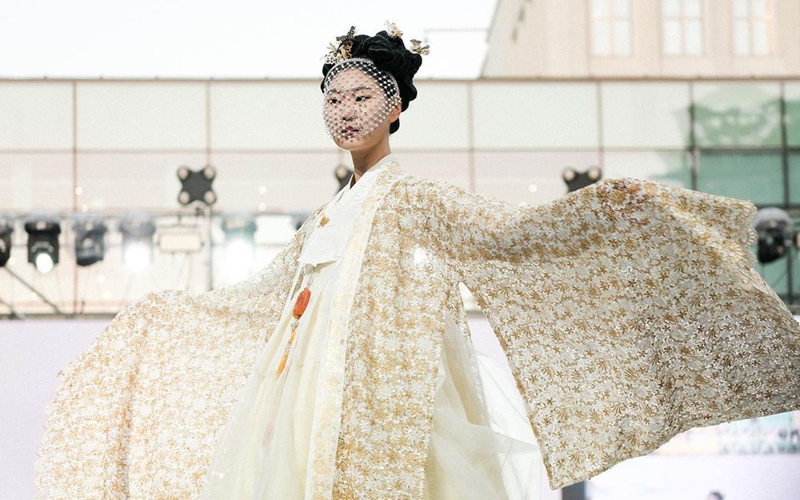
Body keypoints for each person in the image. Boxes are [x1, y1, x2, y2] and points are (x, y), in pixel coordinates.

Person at [35, 22, 800, 500]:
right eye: (333, 99)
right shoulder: (328, 215)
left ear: (396, 106)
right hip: (305, 401)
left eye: (361, 98)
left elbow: (510, 234)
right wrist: (168, 309)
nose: (345, 112)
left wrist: (607, 208)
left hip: (383, 398)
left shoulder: (411, 196)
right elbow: (262, 294)